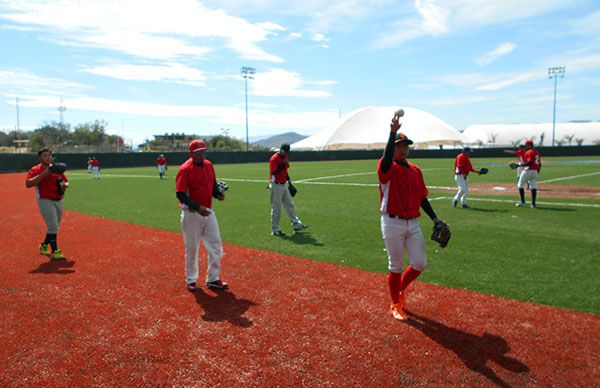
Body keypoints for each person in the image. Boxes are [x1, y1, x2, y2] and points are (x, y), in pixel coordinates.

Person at [378, 112, 447, 321]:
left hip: (413, 223)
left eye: (405, 145)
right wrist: (392, 134)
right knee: (395, 265)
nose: (402, 148)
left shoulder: (416, 170)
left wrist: (435, 219)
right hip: (392, 223)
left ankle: (398, 290)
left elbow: (422, 198)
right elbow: (387, 159)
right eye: (399, 145)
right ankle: (395, 304)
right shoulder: (387, 168)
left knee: (419, 263)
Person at [175, 139, 228, 291]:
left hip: (208, 212)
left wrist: (218, 194)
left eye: (204, 152)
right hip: (191, 213)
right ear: (191, 153)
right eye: (198, 153)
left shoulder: (209, 165)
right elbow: (180, 194)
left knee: (216, 245)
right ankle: (191, 280)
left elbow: (213, 184)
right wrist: (197, 207)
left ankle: (213, 278)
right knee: (192, 248)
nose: (202, 155)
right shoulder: (185, 169)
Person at [25, 148, 69, 260]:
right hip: (45, 200)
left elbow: (65, 180)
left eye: (49, 155)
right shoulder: (35, 169)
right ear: (40, 158)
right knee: (53, 226)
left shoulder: (56, 168)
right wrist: (46, 172)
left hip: (58, 200)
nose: (48, 157)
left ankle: (44, 246)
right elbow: (28, 183)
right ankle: (55, 251)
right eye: (45, 155)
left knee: (55, 227)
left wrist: (64, 185)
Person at [268, 143, 308, 236]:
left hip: (283, 184)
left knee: (290, 204)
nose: (286, 153)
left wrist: (289, 181)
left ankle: (296, 224)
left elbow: (285, 171)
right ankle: (275, 229)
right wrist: (283, 163)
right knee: (276, 208)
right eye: (284, 151)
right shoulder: (274, 158)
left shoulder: (285, 156)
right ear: (280, 149)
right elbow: (274, 172)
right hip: (275, 185)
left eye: (287, 152)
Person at [514, 140, 542, 208]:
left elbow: (530, 163)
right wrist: (537, 172)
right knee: (533, 187)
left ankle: (523, 202)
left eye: (526, 145)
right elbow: (540, 164)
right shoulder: (537, 152)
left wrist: (519, 165)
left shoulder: (529, 152)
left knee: (520, 185)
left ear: (529, 145)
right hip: (535, 171)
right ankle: (533, 204)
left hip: (528, 170)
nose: (525, 147)